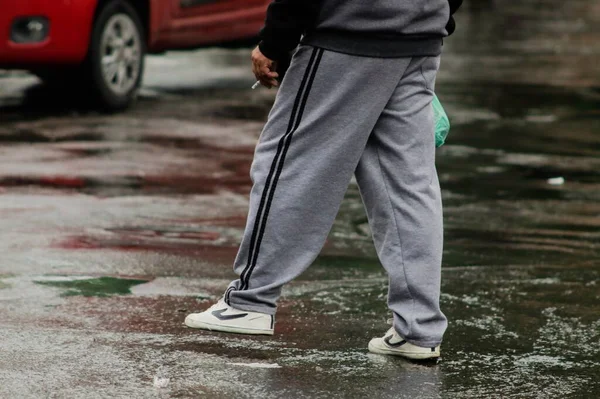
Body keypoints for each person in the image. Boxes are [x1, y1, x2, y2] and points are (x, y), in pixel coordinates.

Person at [185, 0, 462, 360]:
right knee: (408, 185)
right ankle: (419, 328)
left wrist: (275, 41)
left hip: (349, 32)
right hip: (420, 36)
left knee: (289, 162)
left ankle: (250, 300)